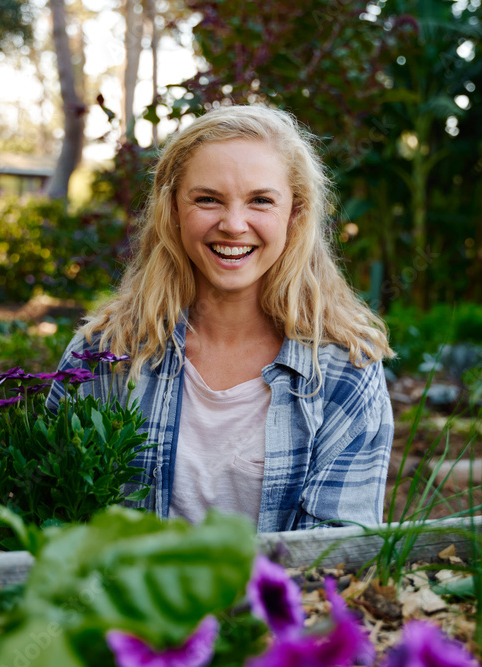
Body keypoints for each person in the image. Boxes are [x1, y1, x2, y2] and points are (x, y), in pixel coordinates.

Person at [45, 105, 395, 532]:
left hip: (274, 600)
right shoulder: (104, 353)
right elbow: (53, 518)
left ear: (295, 214)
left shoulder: (345, 370)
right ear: (173, 208)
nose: (233, 224)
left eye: (260, 201)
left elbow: (337, 557)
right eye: (207, 199)